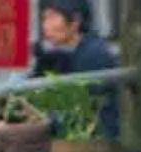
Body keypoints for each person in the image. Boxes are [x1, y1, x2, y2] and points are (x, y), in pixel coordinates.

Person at [32, 0, 122, 139]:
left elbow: (80, 109)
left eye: (52, 18)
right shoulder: (69, 53)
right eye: (44, 19)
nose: (45, 26)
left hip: (97, 141)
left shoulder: (93, 55)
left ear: (75, 21)